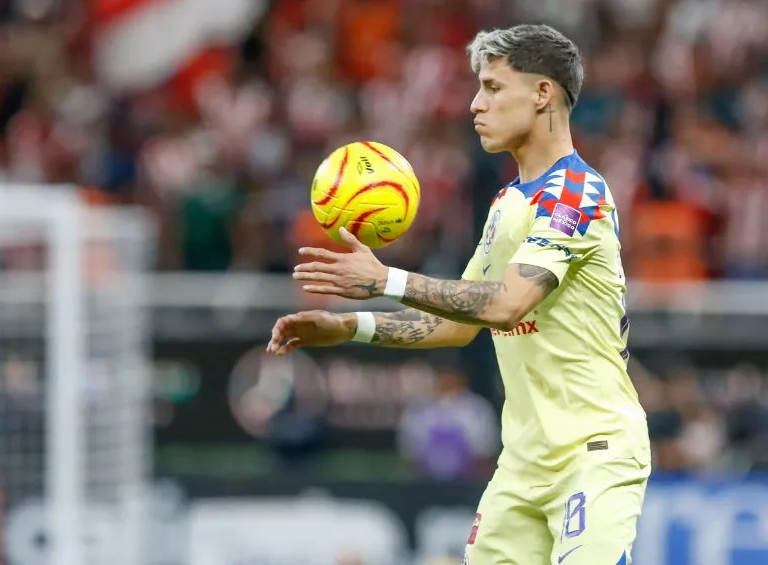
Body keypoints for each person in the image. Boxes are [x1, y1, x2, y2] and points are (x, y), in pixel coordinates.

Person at [267, 24, 650, 565]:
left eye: (493, 88)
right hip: (522, 462)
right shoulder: (507, 204)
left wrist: (385, 280)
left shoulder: (576, 193)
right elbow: (459, 323)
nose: (475, 105)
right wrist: (351, 326)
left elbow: (505, 304)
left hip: (594, 451)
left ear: (543, 94)